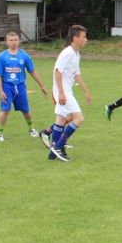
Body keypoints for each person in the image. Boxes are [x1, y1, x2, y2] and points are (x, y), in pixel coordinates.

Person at [48, 25, 92, 162]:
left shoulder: (76, 53)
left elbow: (76, 74)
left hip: (66, 90)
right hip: (63, 91)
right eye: (84, 37)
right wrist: (61, 93)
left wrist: (86, 91)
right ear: (75, 38)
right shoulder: (67, 52)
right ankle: (59, 147)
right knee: (79, 118)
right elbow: (57, 71)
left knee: (61, 120)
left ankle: (52, 153)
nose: (86, 40)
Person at [0, 31, 48, 142]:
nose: (13, 42)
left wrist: (42, 85)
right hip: (6, 86)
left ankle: (32, 129)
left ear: (18, 41)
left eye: (15, 40)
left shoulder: (24, 55)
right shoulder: (2, 57)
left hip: (20, 86)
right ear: (7, 42)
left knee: (26, 110)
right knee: (5, 110)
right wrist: (1, 91)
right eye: (11, 40)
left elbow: (32, 71)